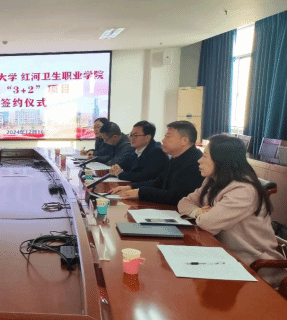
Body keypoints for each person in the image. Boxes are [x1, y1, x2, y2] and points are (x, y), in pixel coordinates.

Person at [178, 134, 287, 289]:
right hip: (222, 256)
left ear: (222, 160)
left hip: (253, 267)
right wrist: (198, 212)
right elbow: (184, 202)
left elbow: (208, 223)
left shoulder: (243, 190)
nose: (199, 160)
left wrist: (206, 215)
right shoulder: (212, 180)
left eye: (205, 156)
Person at [111, 121, 204, 205]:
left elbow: (177, 196)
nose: (163, 140)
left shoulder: (195, 162)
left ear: (184, 140)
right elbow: (159, 182)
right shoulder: (176, 158)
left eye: (168, 137)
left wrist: (140, 192)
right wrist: (131, 187)